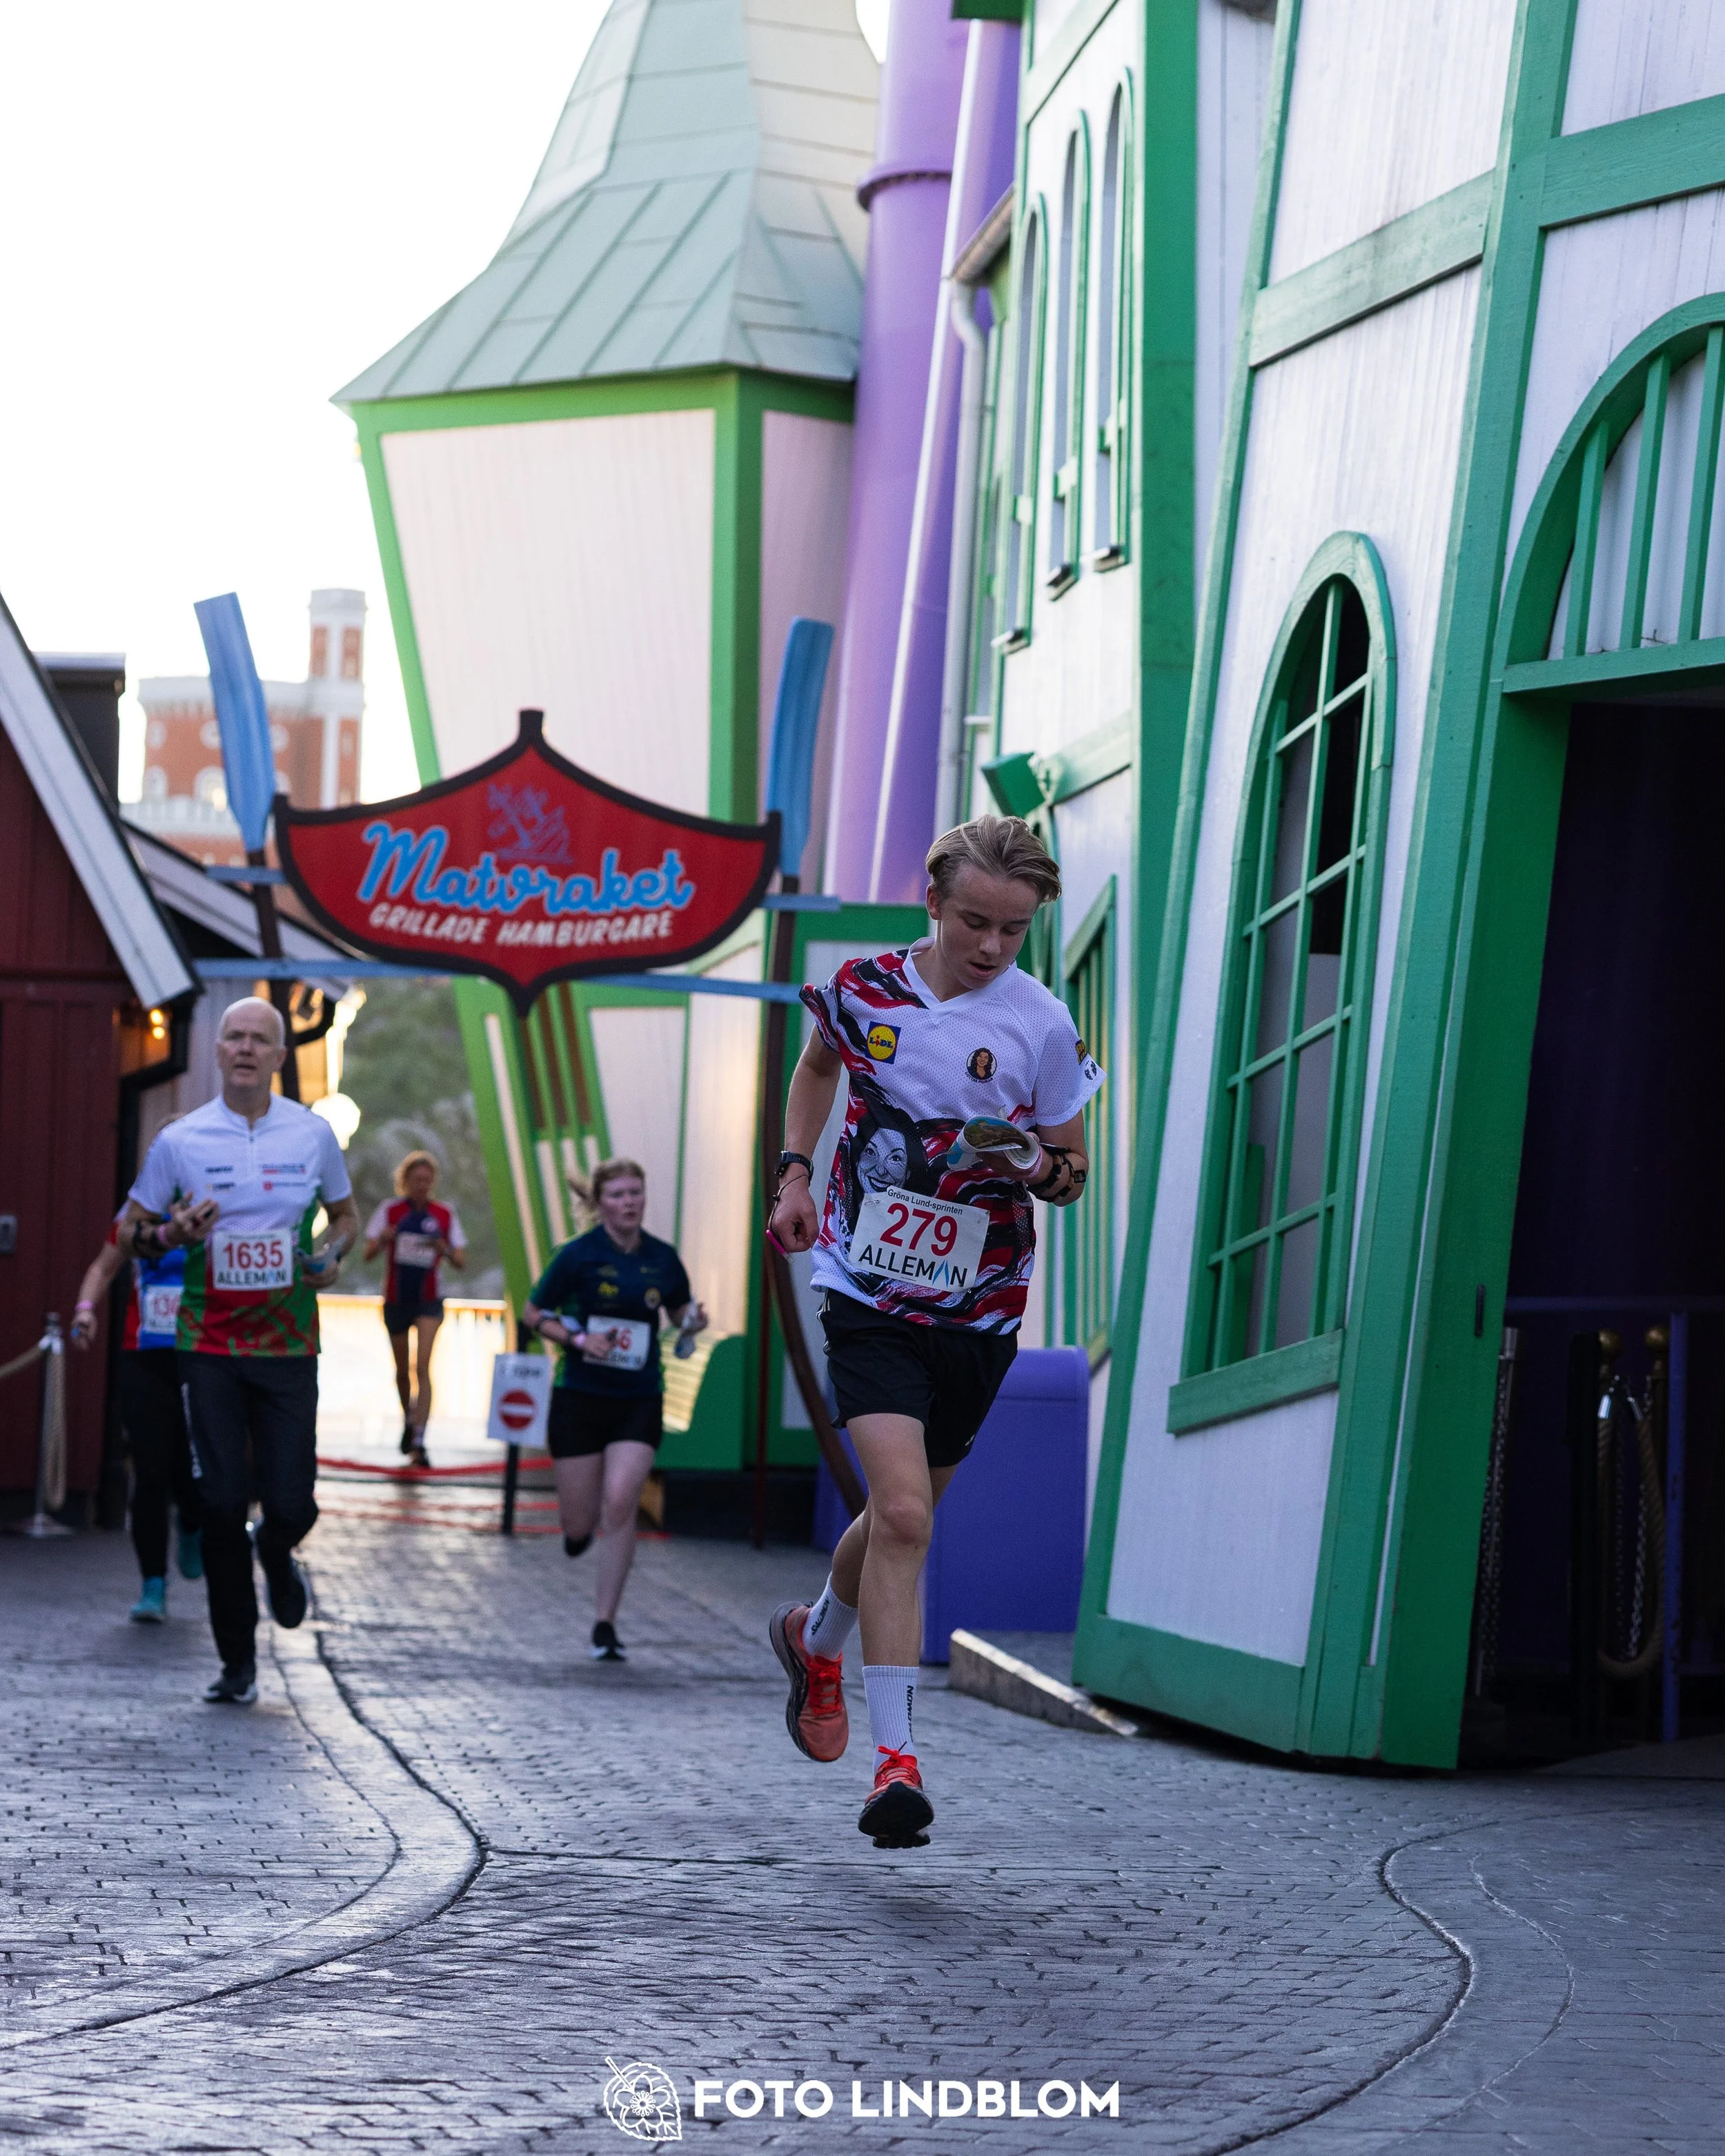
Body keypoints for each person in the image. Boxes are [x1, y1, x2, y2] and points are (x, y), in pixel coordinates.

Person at [765, 815, 1103, 1846]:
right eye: (974, 922)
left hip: (982, 1305)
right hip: (867, 1285)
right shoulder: (864, 987)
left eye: (1014, 929)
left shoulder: (1043, 1025)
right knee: (907, 1515)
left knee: (900, 1517)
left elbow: (1072, 1174)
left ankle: (816, 1637)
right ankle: (896, 1764)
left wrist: (1028, 1167)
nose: (992, 946)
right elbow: (819, 1068)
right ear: (933, 902)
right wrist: (796, 1169)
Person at [121, 997, 358, 1705]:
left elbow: (345, 1217)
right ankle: (237, 1661)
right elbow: (129, 1230)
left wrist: (331, 1253)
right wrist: (172, 1235)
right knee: (221, 1502)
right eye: (235, 1036)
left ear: (280, 1057)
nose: (248, 1048)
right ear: (217, 1052)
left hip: (288, 1344)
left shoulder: (312, 1134)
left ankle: (279, 1550)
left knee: (289, 1502)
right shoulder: (183, 1141)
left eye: (261, 1038)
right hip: (209, 1345)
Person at [520, 1158, 707, 1662]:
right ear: (599, 1203)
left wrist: (693, 1318)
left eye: (636, 1193)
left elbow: (677, 1309)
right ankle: (576, 1533)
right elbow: (534, 1312)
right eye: (619, 1194)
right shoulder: (577, 1255)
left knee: (621, 1501)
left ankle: (605, 1623)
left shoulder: (662, 1258)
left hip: (638, 1398)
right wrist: (580, 1338)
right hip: (580, 1396)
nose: (629, 1202)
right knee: (581, 1521)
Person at [69, 1220, 202, 1623]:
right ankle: (153, 1586)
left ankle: (192, 1526)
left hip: (201, 1358)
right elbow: (102, 1267)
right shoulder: (138, 1217)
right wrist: (85, 1311)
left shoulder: (216, 1214)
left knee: (192, 1468)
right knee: (150, 1469)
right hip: (144, 1356)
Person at [363, 1149, 466, 1469]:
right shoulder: (389, 1211)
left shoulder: (444, 1214)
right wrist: (383, 1239)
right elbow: (367, 1254)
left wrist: (443, 1249)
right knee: (402, 1370)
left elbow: (461, 1261)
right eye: (416, 1179)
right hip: (396, 1298)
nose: (422, 1185)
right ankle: (408, 1419)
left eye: (427, 1179)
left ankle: (420, 1439)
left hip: (429, 1300)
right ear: (405, 1181)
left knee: (423, 1366)